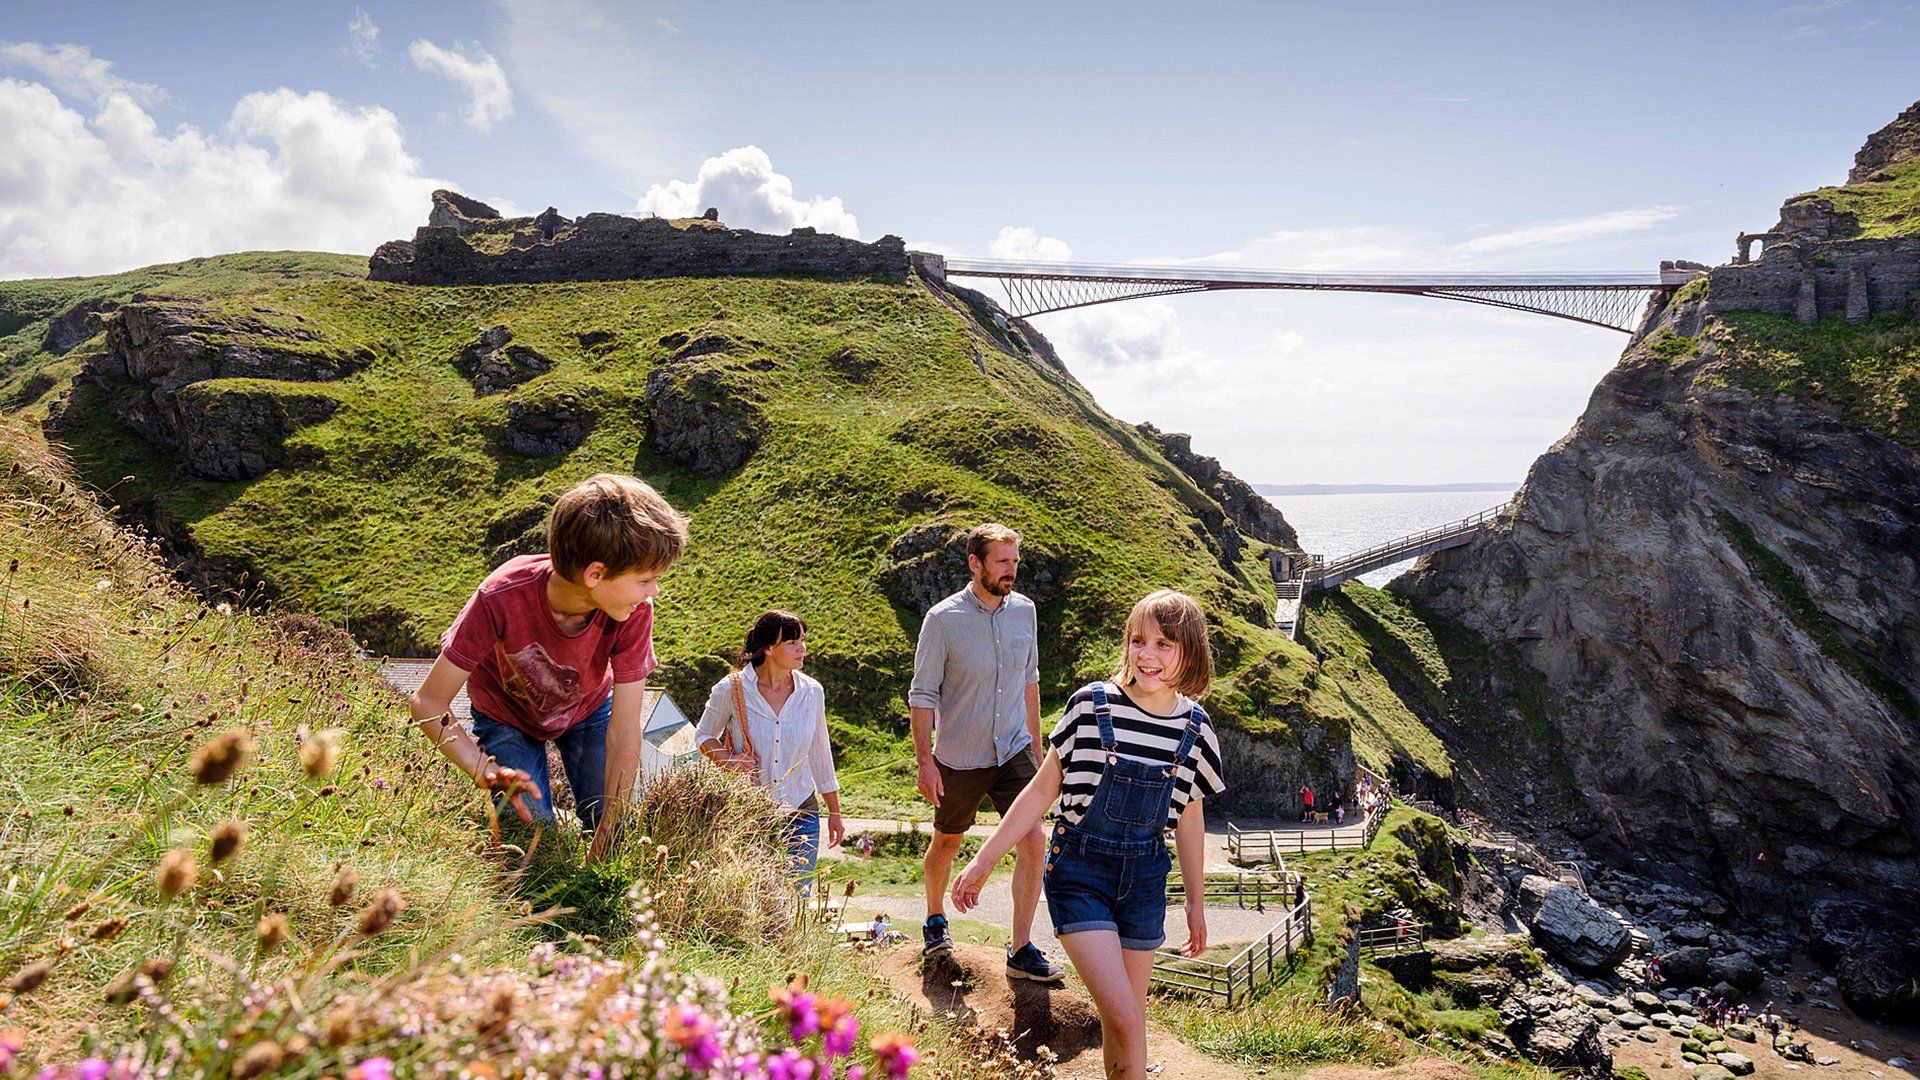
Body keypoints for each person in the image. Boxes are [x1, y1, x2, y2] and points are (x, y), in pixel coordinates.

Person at [952, 590, 1226, 1080]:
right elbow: (1040, 792)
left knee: (1127, 1022)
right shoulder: (1091, 706)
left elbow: (1189, 818)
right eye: (1138, 640)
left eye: (1164, 644)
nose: (1147, 654)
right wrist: (984, 859)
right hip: (1080, 871)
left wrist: (1195, 903)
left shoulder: (1197, 728)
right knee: (1126, 1017)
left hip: (1144, 880)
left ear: (1190, 652)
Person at [409, 474, 687, 862]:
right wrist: (484, 770)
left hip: (588, 711)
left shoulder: (634, 611)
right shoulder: (500, 596)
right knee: (532, 842)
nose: (654, 591)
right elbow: (428, 703)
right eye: (646, 579)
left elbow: (625, 732)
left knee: (613, 824)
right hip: (506, 717)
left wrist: (609, 832)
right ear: (595, 574)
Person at [908, 523, 1061, 983]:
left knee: (1034, 839)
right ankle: (935, 918)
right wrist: (925, 761)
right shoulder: (942, 620)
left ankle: (1021, 948)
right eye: (1002, 562)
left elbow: (1030, 681)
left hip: (1014, 747)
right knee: (947, 841)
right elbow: (922, 694)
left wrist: (1036, 749)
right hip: (960, 755)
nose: (1011, 570)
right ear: (976, 564)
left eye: (1015, 561)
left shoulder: (1025, 611)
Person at [696, 610, 844, 890]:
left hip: (801, 812)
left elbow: (820, 753)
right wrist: (728, 760)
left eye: (802, 640)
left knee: (796, 896)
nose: (802, 648)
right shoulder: (732, 689)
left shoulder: (812, 692)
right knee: (753, 896)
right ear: (768, 648)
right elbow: (704, 736)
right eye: (792, 642)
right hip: (748, 815)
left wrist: (834, 812)